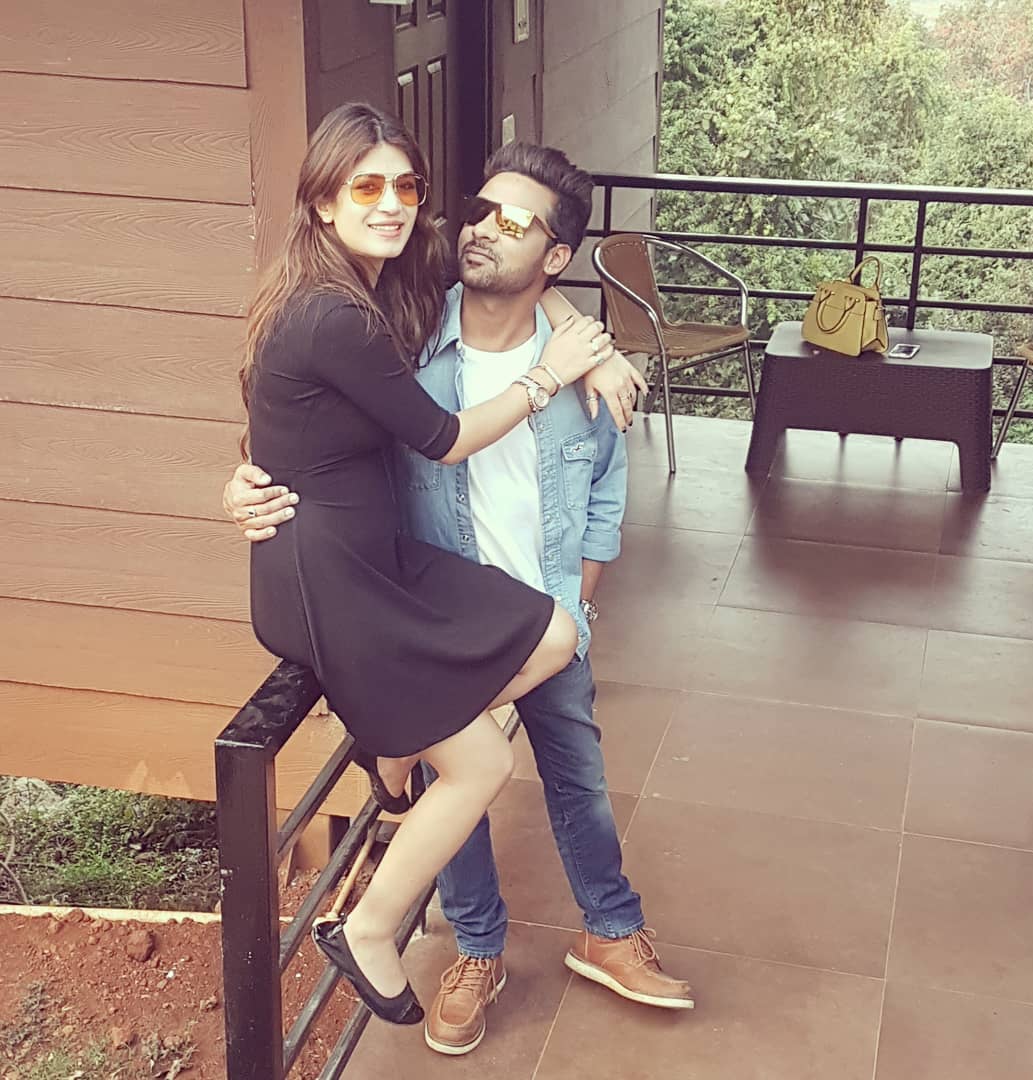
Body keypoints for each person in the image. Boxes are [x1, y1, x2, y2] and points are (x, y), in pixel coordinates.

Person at [226, 138, 693, 1055]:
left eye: (514, 222)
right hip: (433, 597)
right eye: (479, 209)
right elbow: (296, 412)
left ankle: (610, 930)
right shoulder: (405, 332)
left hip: (540, 602)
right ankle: (476, 950)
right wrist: (240, 480)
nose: (482, 228)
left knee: (579, 779)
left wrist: (583, 590)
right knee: (468, 776)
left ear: (555, 256)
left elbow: (605, 496)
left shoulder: (582, 363)